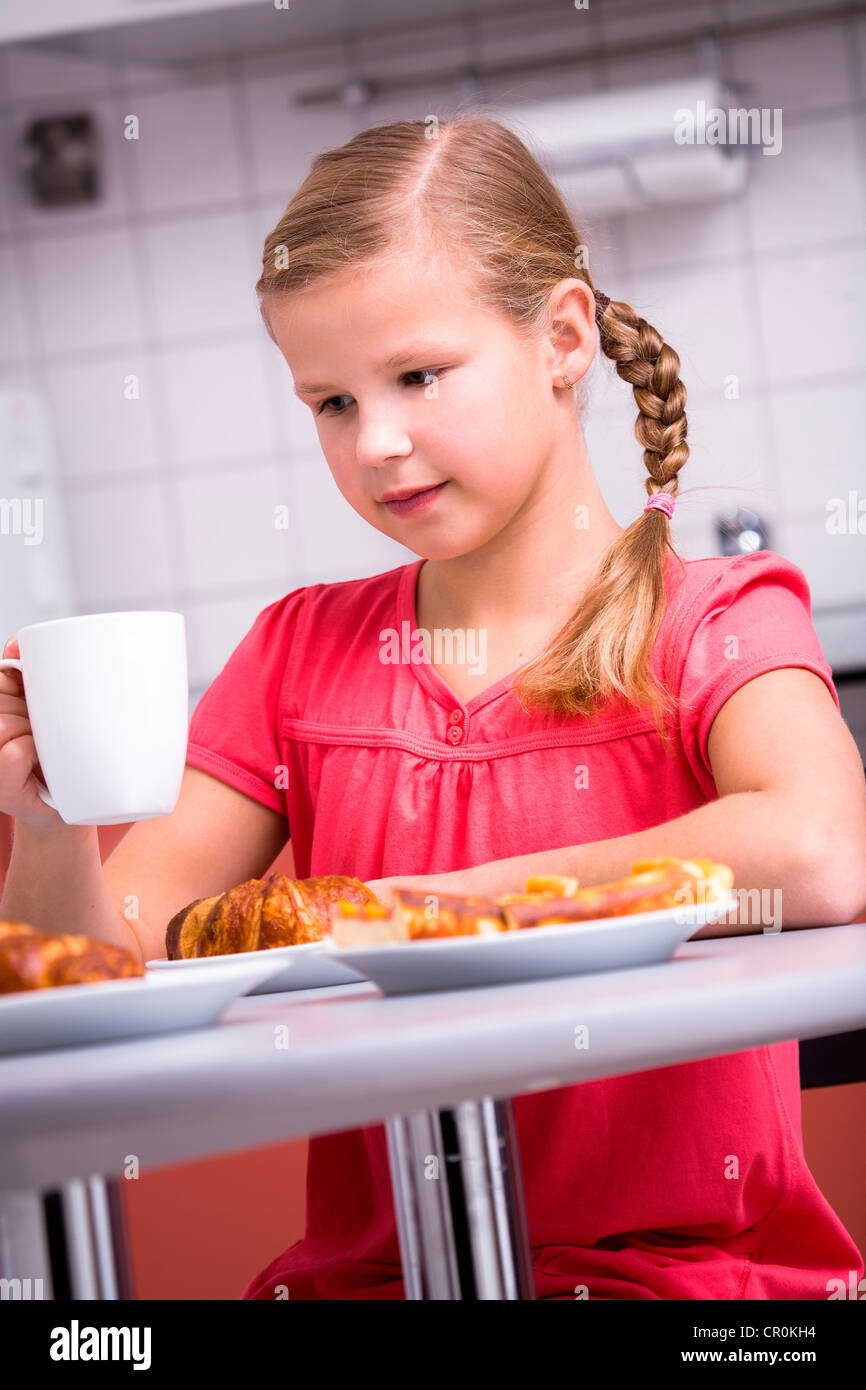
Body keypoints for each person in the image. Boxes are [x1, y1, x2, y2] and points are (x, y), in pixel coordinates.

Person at [2, 115, 865, 1302]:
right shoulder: (301, 652)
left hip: (676, 1281)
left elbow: (817, 854)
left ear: (561, 337)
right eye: (331, 403)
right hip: (378, 1279)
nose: (378, 444)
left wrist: (400, 914)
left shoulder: (715, 618)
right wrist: (45, 823)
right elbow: (105, 962)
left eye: (416, 376)